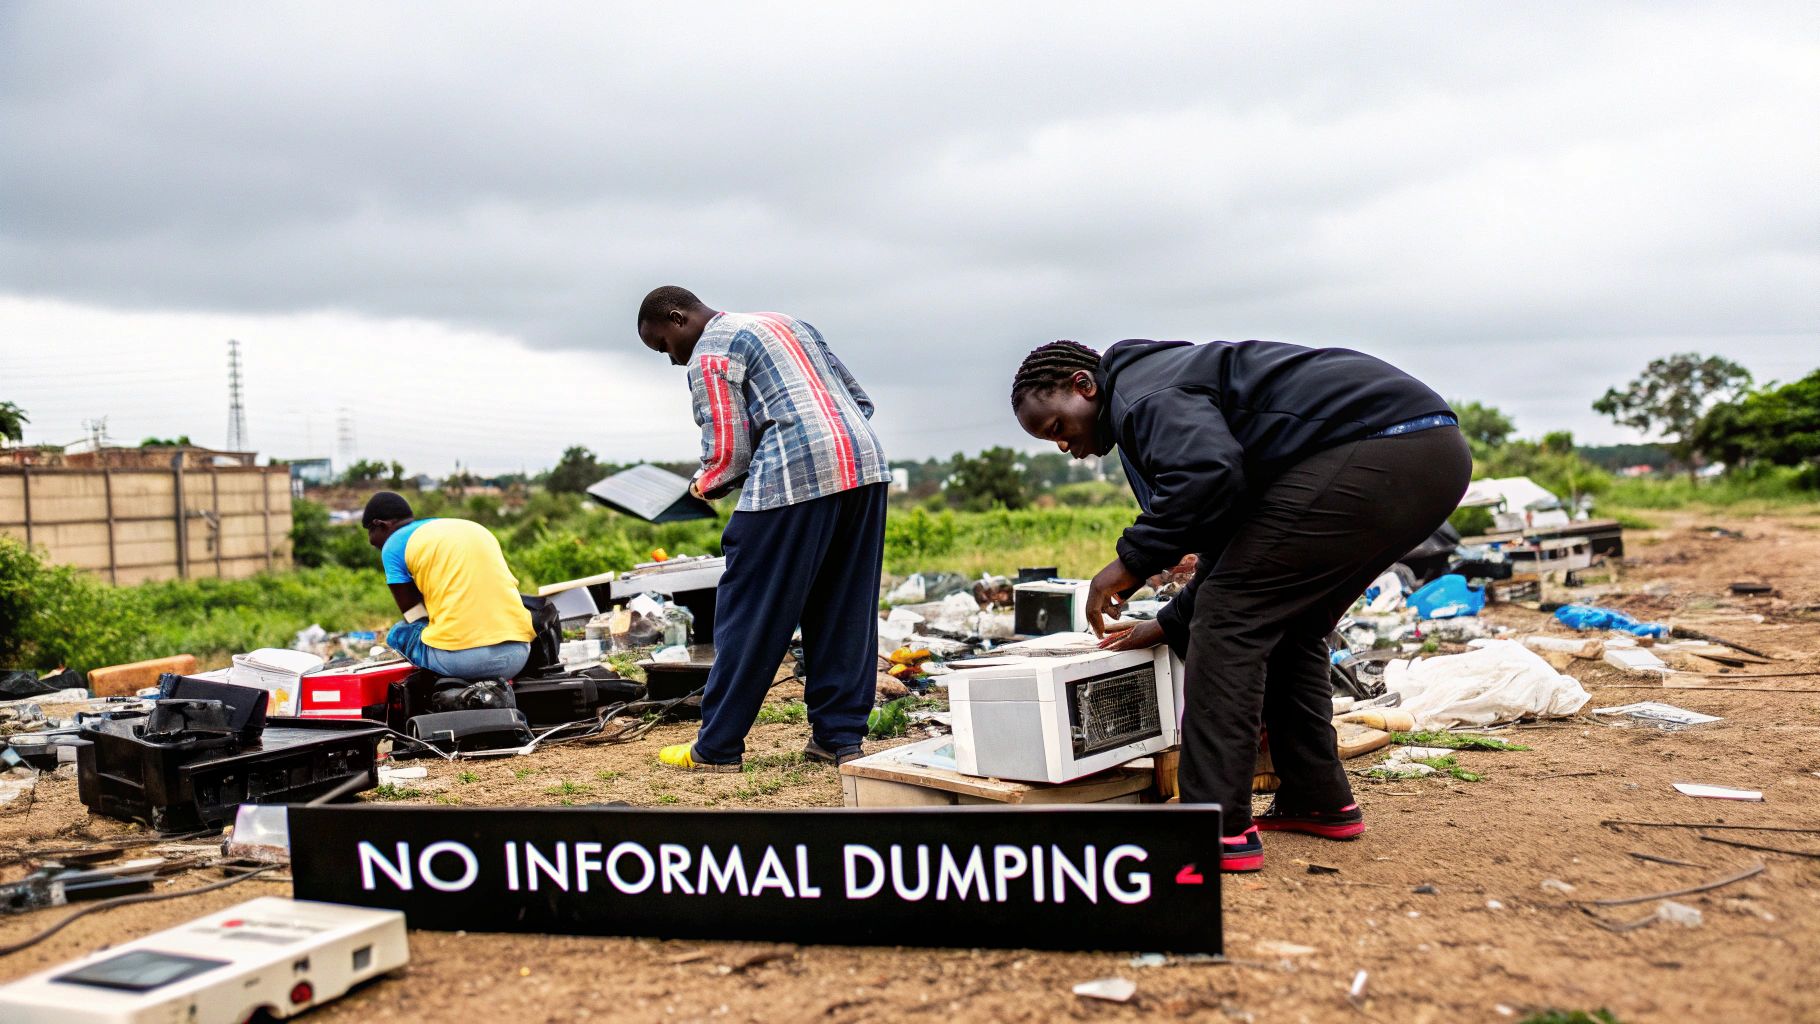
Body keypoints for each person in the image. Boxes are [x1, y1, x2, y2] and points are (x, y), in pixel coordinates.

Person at [1010, 338, 1470, 872]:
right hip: (1429, 452)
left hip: (1383, 447)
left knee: (1230, 621)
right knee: (1290, 622)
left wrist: (1130, 560)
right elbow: (1237, 546)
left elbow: (1207, 475)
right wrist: (1165, 623)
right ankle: (1315, 798)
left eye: (1057, 427)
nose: (1064, 445)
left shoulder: (1143, 395)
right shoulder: (1160, 389)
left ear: (1082, 386)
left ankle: (1211, 823)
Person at [637, 286, 890, 771]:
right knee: (844, 607)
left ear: (677, 317)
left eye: (664, 345)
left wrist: (701, 487)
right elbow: (859, 400)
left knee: (750, 611)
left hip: (795, 475)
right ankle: (839, 740)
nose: (670, 359)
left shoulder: (709, 352)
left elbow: (728, 456)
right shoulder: (786, 322)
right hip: (864, 466)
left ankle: (716, 747)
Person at [363, 490, 534, 681]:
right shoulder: (465, 527)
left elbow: (414, 615)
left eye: (372, 537)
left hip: (464, 662)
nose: (375, 546)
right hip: (519, 654)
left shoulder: (393, 545)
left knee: (398, 633)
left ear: (380, 525)